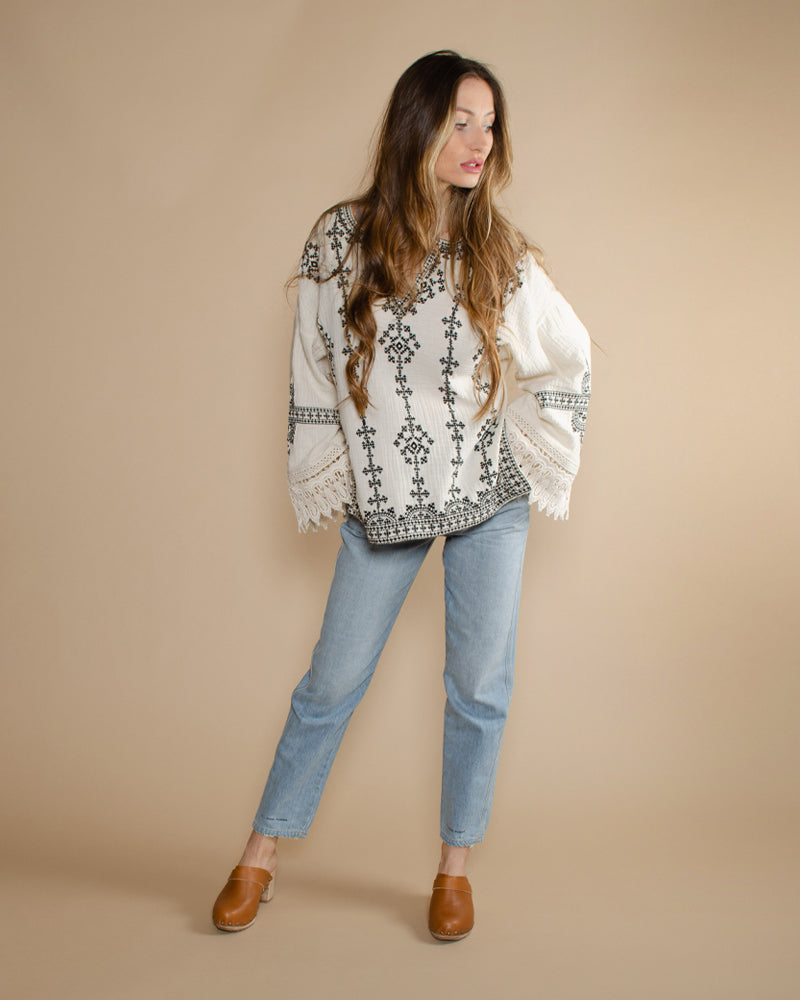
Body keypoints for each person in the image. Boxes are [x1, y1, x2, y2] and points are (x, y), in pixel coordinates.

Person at [212, 49, 591, 941]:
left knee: (479, 686)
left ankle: (454, 869)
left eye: (489, 125)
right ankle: (260, 854)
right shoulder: (341, 239)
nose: (479, 142)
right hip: (388, 499)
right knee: (332, 680)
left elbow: (567, 352)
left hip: (488, 497)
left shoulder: (499, 251)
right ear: (417, 125)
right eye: (460, 122)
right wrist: (351, 470)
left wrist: (519, 441)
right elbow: (312, 367)